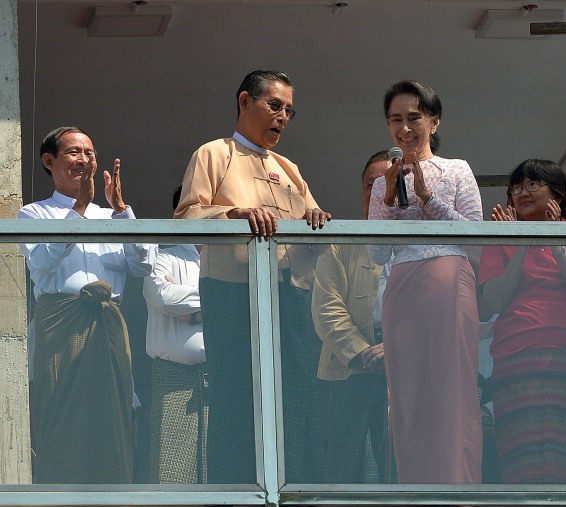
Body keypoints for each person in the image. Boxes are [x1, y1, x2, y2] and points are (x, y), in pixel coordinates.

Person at [174, 69, 331, 484]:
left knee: (295, 397)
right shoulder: (213, 154)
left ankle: (293, 488)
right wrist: (233, 214)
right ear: (245, 102)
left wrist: (316, 220)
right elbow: (187, 218)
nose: (283, 117)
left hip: (291, 294)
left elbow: (315, 227)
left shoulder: (288, 167)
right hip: (232, 293)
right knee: (235, 398)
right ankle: (236, 492)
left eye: (290, 111)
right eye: (274, 106)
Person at [18, 126, 156, 484]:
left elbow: (143, 265)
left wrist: (122, 210)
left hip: (107, 329)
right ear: (49, 161)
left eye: (90, 154)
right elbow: (43, 263)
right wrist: (79, 207)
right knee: (63, 420)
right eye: (74, 153)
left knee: (114, 417)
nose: (84, 160)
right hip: (61, 330)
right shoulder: (33, 214)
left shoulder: (113, 215)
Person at [367, 80, 483, 484]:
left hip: (449, 276)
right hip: (402, 286)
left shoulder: (457, 169)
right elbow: (377, 254)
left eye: (414, 118)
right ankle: (415, 489)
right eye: (395, 120)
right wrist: (386, 202)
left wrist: (427, 197)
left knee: (453, 388)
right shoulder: (383, 181)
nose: (405, 128)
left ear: (434, 122)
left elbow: (474, 235)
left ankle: (458, 488)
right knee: (408, 394)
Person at [479, 159, 566, 484]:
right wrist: (520, 244)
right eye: (516, 187)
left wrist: (556, 244)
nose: (522, 192)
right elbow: (493, 301)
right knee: (522, 464)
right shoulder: (499, 240)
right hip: (516, 362)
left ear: (557, 196)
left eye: (533, 184)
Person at [311, 151, 390, 483]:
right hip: (348, 371)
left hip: (404, 372)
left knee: (399, 471)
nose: (376, 193)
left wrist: (396, 349)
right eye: (370, 185)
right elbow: (327, 310)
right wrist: (362, 354)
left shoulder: (422, 244)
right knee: (342, 474)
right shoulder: (341, 242)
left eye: (388, 184)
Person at [143, 186, 207, 484]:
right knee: (172, 474)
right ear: (179, 214)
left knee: (220, 476)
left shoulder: (230, 258)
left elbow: (249, 300)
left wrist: (192, 311)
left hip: (218, 380)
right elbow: (164, 298)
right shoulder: (162, 257)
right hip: (174, 379)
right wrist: (215, 305)